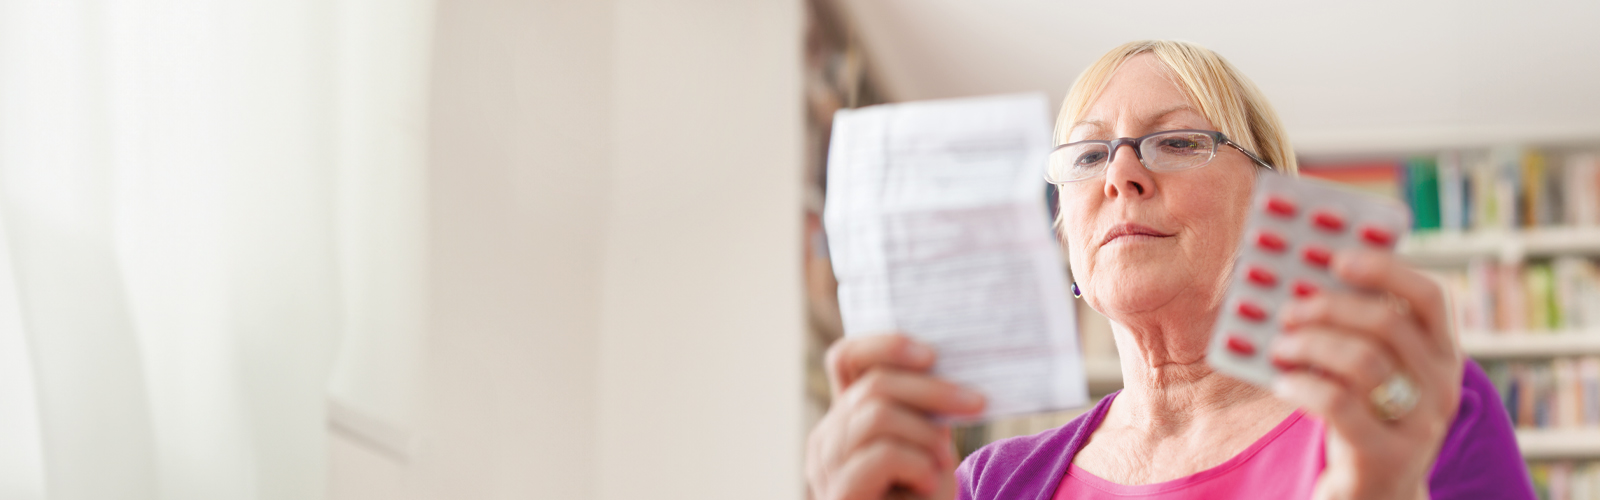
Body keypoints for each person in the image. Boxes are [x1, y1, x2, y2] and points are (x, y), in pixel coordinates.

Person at [804, 40, 1534, 500]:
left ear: (1270, 203)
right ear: (1065, 239)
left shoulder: (1414, 406)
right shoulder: (985, 485)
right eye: (1088, 157)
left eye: (1178, 141)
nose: (1119, 176)